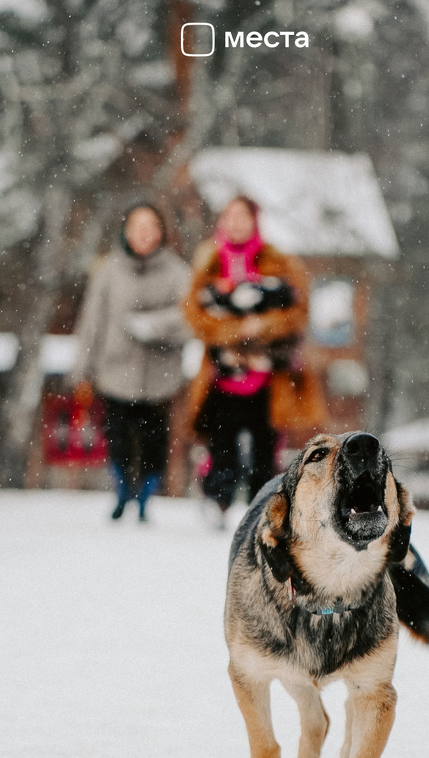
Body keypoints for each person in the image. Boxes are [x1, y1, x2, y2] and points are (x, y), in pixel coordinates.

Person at [183, 196, 326, 518]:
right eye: (230, 215)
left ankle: (262, 507)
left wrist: (262, 325)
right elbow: (193, 312)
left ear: (255, 221)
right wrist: (232, 330)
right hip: (221, 374)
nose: (236, 222)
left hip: (269, 376)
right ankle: (217, 500)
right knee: (221, 443)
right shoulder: (208, 262)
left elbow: (298, 312)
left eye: (243, 216)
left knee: (266, 445)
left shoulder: (281, 262)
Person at [71, 204, 191, 521]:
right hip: (115, 370)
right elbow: (92, 322)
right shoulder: (109, 270)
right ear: (126, 231)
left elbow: (190, 319)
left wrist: (154, 326)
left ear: (162, 232)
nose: (144, 232)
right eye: (137, 225)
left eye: (151, 225)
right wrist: (82, 369)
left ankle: (146, 495)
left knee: (155, 440)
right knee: (118, 437)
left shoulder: (178, 272)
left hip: (160, 374)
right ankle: (123, 488)